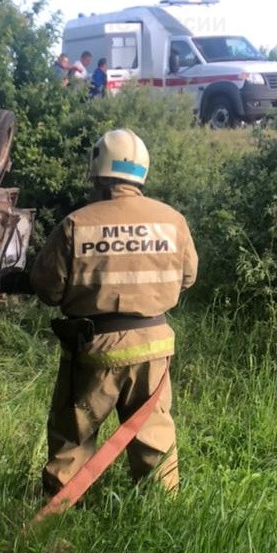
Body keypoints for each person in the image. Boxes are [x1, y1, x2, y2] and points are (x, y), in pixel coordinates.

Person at [30, 129, 198, 497]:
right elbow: (187, 278)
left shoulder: (76, 224)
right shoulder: (172, 221)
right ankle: (159, 510)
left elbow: (48, 289)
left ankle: (61, 507)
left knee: (74, 433)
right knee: (152, 431)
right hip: (154, 347)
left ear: (98, 173)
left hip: (94, 350)